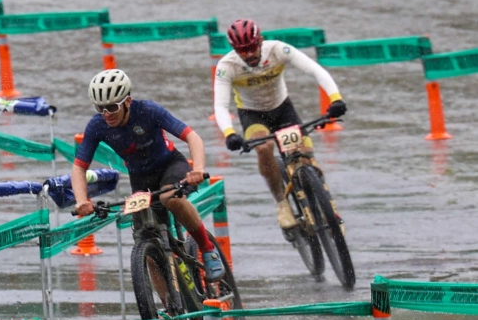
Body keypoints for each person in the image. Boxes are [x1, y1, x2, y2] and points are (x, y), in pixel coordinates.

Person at [70, 68, 226, 280]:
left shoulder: (148, 111)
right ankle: (168, 309)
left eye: (112, 107)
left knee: (169, 198)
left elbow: (192, 137)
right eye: (100, 108)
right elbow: (80, 167)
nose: (106, 114)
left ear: (127, 101)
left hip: (170, 165)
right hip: (141, 179)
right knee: (148, 250)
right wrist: (82, 201)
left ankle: (208, 249)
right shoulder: (97, 126)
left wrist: (197, 169)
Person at [213, 18, 345, 232]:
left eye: (251, 47)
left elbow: (315, 70)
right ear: (234, 49)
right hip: (252, 115)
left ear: (260, 41)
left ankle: (328, 206)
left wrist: (335, 99)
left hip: (283, 109)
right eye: (241, 50)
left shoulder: (277, 50)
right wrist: (229, 133)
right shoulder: (227, 66)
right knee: (263, 148)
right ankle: (281, 203)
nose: (248, 54)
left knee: (306, 154)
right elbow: (220, 105)